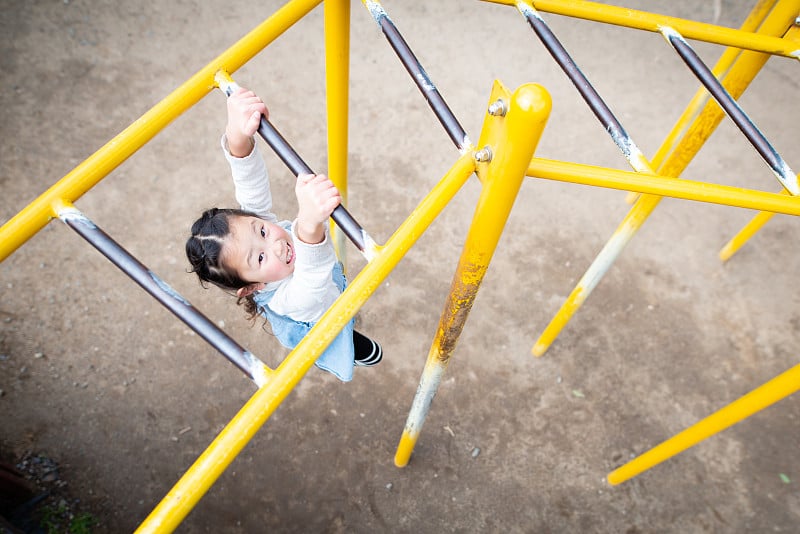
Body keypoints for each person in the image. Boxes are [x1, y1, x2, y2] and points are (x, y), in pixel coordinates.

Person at [185, 87, 381, 382]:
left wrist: (238, 136)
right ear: (253, 287)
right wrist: (307, 226)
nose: (275, 244)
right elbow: (312, 281)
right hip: (319, 311)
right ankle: (349, 344)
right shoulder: (287, 300)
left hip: (323, 277)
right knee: (339, 329)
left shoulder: (260, 237)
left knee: (330, 281)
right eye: (260, 257)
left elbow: (251, 187)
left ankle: (347, 323)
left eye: (262, 229)